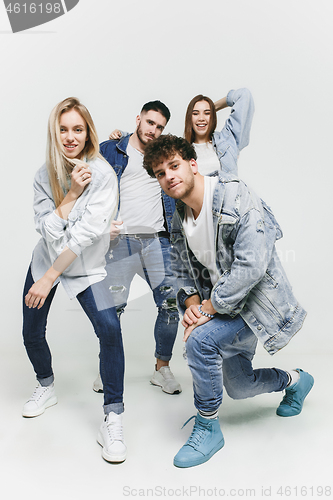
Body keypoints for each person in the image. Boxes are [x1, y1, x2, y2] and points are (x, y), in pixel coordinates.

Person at [143, 134, 314, 468]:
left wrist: (207, 310)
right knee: (239, 386)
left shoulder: (236, 196)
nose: (169, 176)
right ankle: (296, 380)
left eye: (174, 166)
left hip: (255, 304)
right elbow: (180, 260)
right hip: (221, 303)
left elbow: (251, 266)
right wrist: (192, 304)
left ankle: (208, 429)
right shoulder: (179, 211)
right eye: (160, 173)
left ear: (193, 164)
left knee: (200, 343)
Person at [22, 97, 127, 463]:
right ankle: (46, 386)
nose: (70, 137)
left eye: (77, 129)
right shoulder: (42, 175)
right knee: (31, 331)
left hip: (86, 268)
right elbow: (46, 230)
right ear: (55, 131)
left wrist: (51, 277)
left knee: (110, 331)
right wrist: (71, 194)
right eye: (63, 129)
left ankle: (113, 417)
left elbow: (83, 237)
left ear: (88, 133)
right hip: (45, 261)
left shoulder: (103, 174)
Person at [95, 101, 181, 395]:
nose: (153, 130)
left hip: (158, 241)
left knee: (170, 305)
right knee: (113, 309)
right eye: (150, 122)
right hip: (120, 242)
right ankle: (107, 368)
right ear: (138, 119)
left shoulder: (166, 155)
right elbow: (84, 169)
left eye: (159, 126)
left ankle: (162, 368)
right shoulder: (112, 149)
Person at [109, 88, 254, 177]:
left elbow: (244, 96)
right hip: (193, 219)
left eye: (207, 113)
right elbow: (148, 137)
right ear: (189, 117)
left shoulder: (227, 141)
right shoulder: (181, 149)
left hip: (226, 217)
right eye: (196, 113)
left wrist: (212, 107)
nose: (202, 118)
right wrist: (122, 135)